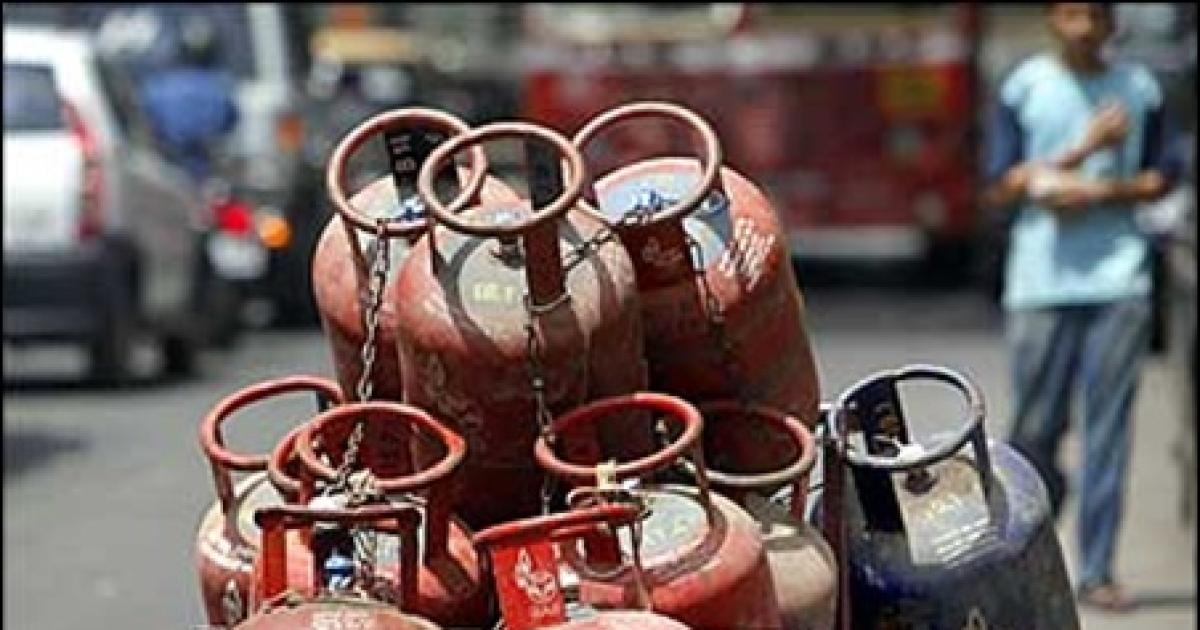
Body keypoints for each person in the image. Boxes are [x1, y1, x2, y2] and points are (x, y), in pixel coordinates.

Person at [982, 3, 1183, 612]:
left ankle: (1096, 571)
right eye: (1072, 15)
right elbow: (1003, 185)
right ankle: (1023, 558)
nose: (1084, 29)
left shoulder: (1139, 90)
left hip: (1118, 283)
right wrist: (1085, 150)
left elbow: (1161, 177)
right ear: (1053, 20)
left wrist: (1096, 192)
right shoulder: (1025, 88)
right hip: (1040, 284)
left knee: (1108, 432)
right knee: (1035, 432)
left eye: (1094, 16)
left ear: (1110, 24)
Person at [137, 13, 239, 185]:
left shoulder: (157, 86)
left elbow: (147, 126)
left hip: (169, 171)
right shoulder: (222, 86)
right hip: (204, 170)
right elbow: (230, 124)